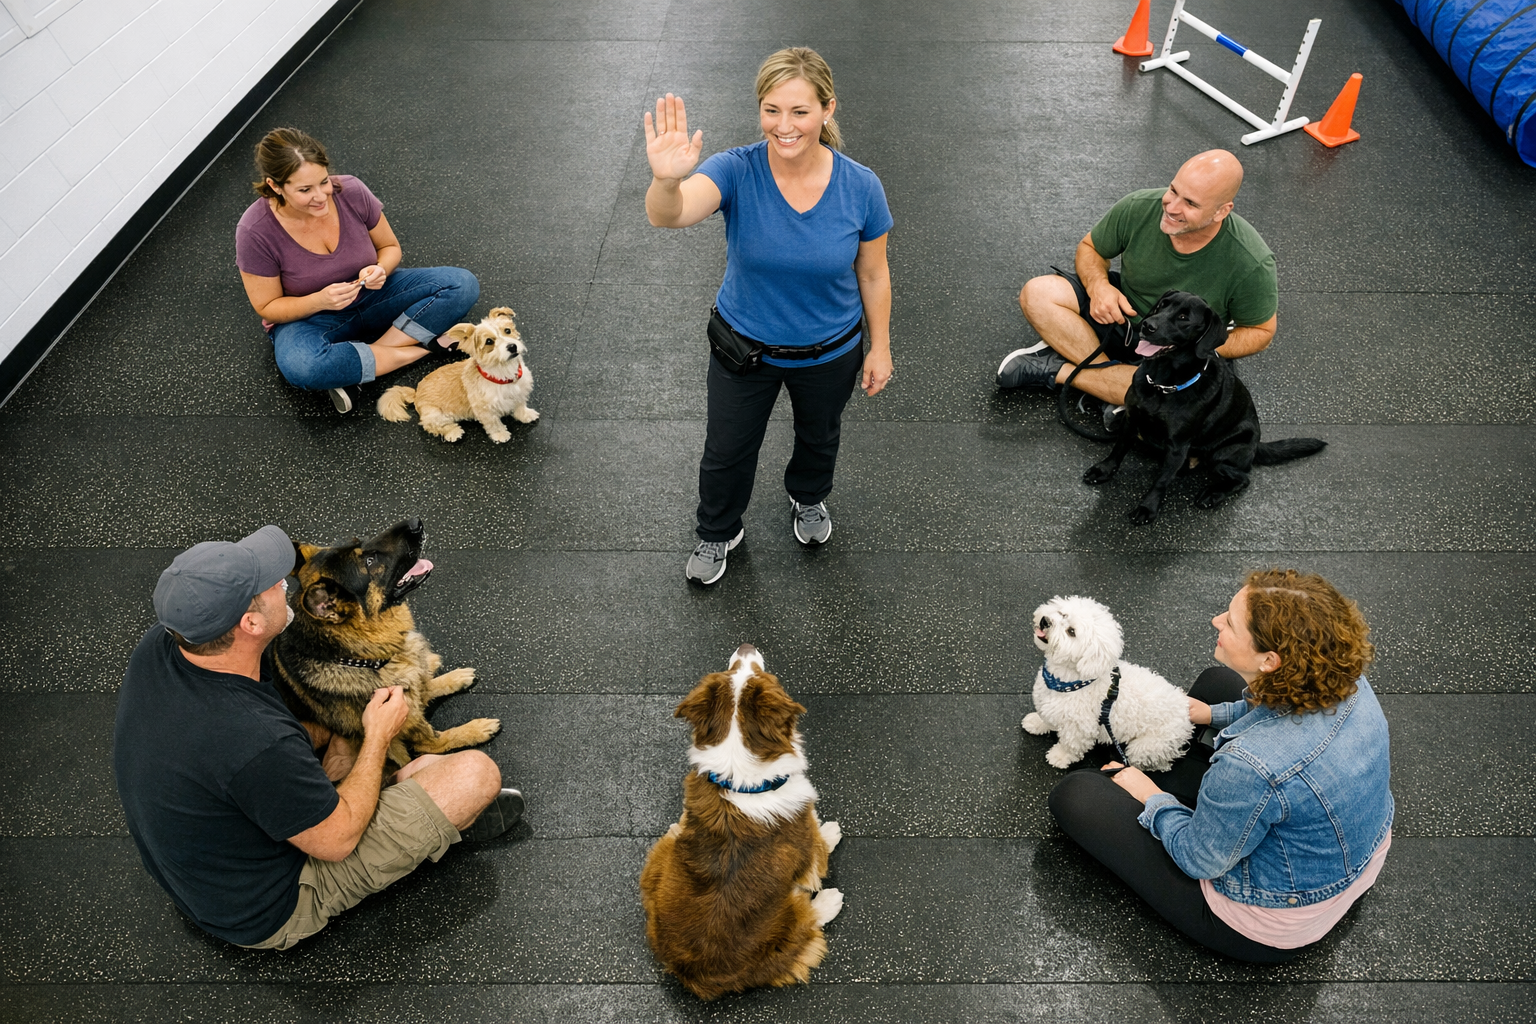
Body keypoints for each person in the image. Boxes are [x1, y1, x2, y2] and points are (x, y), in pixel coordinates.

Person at [113, 526, 524, 950]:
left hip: (203, 872)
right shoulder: (255, 740)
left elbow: (259, 746)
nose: (287, 583)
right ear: (250, 622)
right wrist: (377, 737)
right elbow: (336, 841)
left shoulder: (166, 646)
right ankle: (431, 832)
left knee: (349, 744)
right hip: (268, 908)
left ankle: (391, 804)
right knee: (474, 775)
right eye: (271, 584)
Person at [1046, 570, 1393, 963]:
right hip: (1350, 861)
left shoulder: (1251, 765)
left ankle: (1157, 791)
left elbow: (1199, 859)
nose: (1216, 621)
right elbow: (1282, 715)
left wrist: (1151, 796)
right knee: (1216, 683)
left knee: (1076, 797)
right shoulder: (1346, 678)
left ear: (1269, 660)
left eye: (1229, 622)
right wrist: (1212, 713)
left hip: (1273, 919)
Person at [643, 47, 894, 585]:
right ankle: (718, 531)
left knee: (819, 437)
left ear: (828, 110)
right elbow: (672, 215)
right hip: (745, 348)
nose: (785, 125)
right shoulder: (736, 169)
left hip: (831, 352)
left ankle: (808, 497)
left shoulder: (861, 186)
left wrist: (880, 346)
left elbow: (873, 274)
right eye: (772, 109)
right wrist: (666, 181)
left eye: (800, 111)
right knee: (727, 450)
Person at [996, 150, 1277, 433]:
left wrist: (1193, 347)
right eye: (1173, 190)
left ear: (1221, 211)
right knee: (1038, 293)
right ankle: (1113, 386)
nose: (1171, 206)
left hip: (1178, 350)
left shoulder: (1250, 261)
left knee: (1195, 408)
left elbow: (1261, 332)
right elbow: (1090, 248)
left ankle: (1061, 370)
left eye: (1190, 203)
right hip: (1121, 318)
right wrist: (1099, 287)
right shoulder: (1139, 206)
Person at [236, 128, 481, 414]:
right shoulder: (254, 231)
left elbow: (390, 247)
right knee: (305, 367)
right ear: (275, 186)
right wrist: (320, 301)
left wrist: (380, 268)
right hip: (312, 318)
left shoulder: (351, 190)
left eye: (323, 182)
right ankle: (425, 350)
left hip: (374, 296)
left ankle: (362, 367)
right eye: (305, 190)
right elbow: (267, 307)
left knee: (461, 284)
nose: (321, 196)